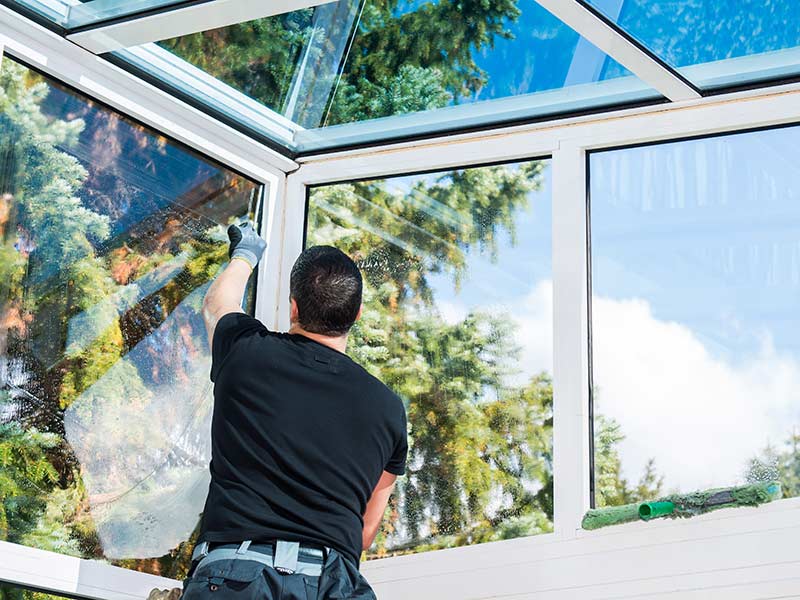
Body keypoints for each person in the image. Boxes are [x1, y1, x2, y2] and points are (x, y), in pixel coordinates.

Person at [181, 222, 408, 600]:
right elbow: (366, 533)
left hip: (238, 576)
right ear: (358, 314)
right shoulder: (387, 408)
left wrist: (246, 254)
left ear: (294, 307)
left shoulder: (247, 353)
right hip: (333, 585)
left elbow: (217, 305)